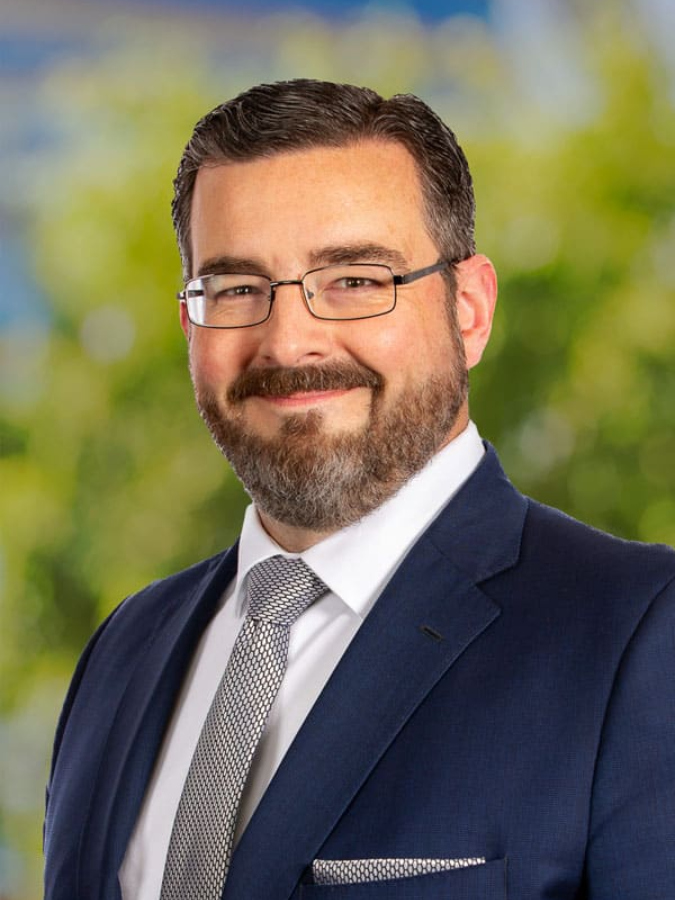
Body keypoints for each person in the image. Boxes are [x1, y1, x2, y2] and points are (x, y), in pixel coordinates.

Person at [43, 79, 675, 900]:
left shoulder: (638, 633)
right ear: (190, 324)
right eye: (236, 289)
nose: (290, 339)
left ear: (470, 310)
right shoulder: (125, 648)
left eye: (353, 280)